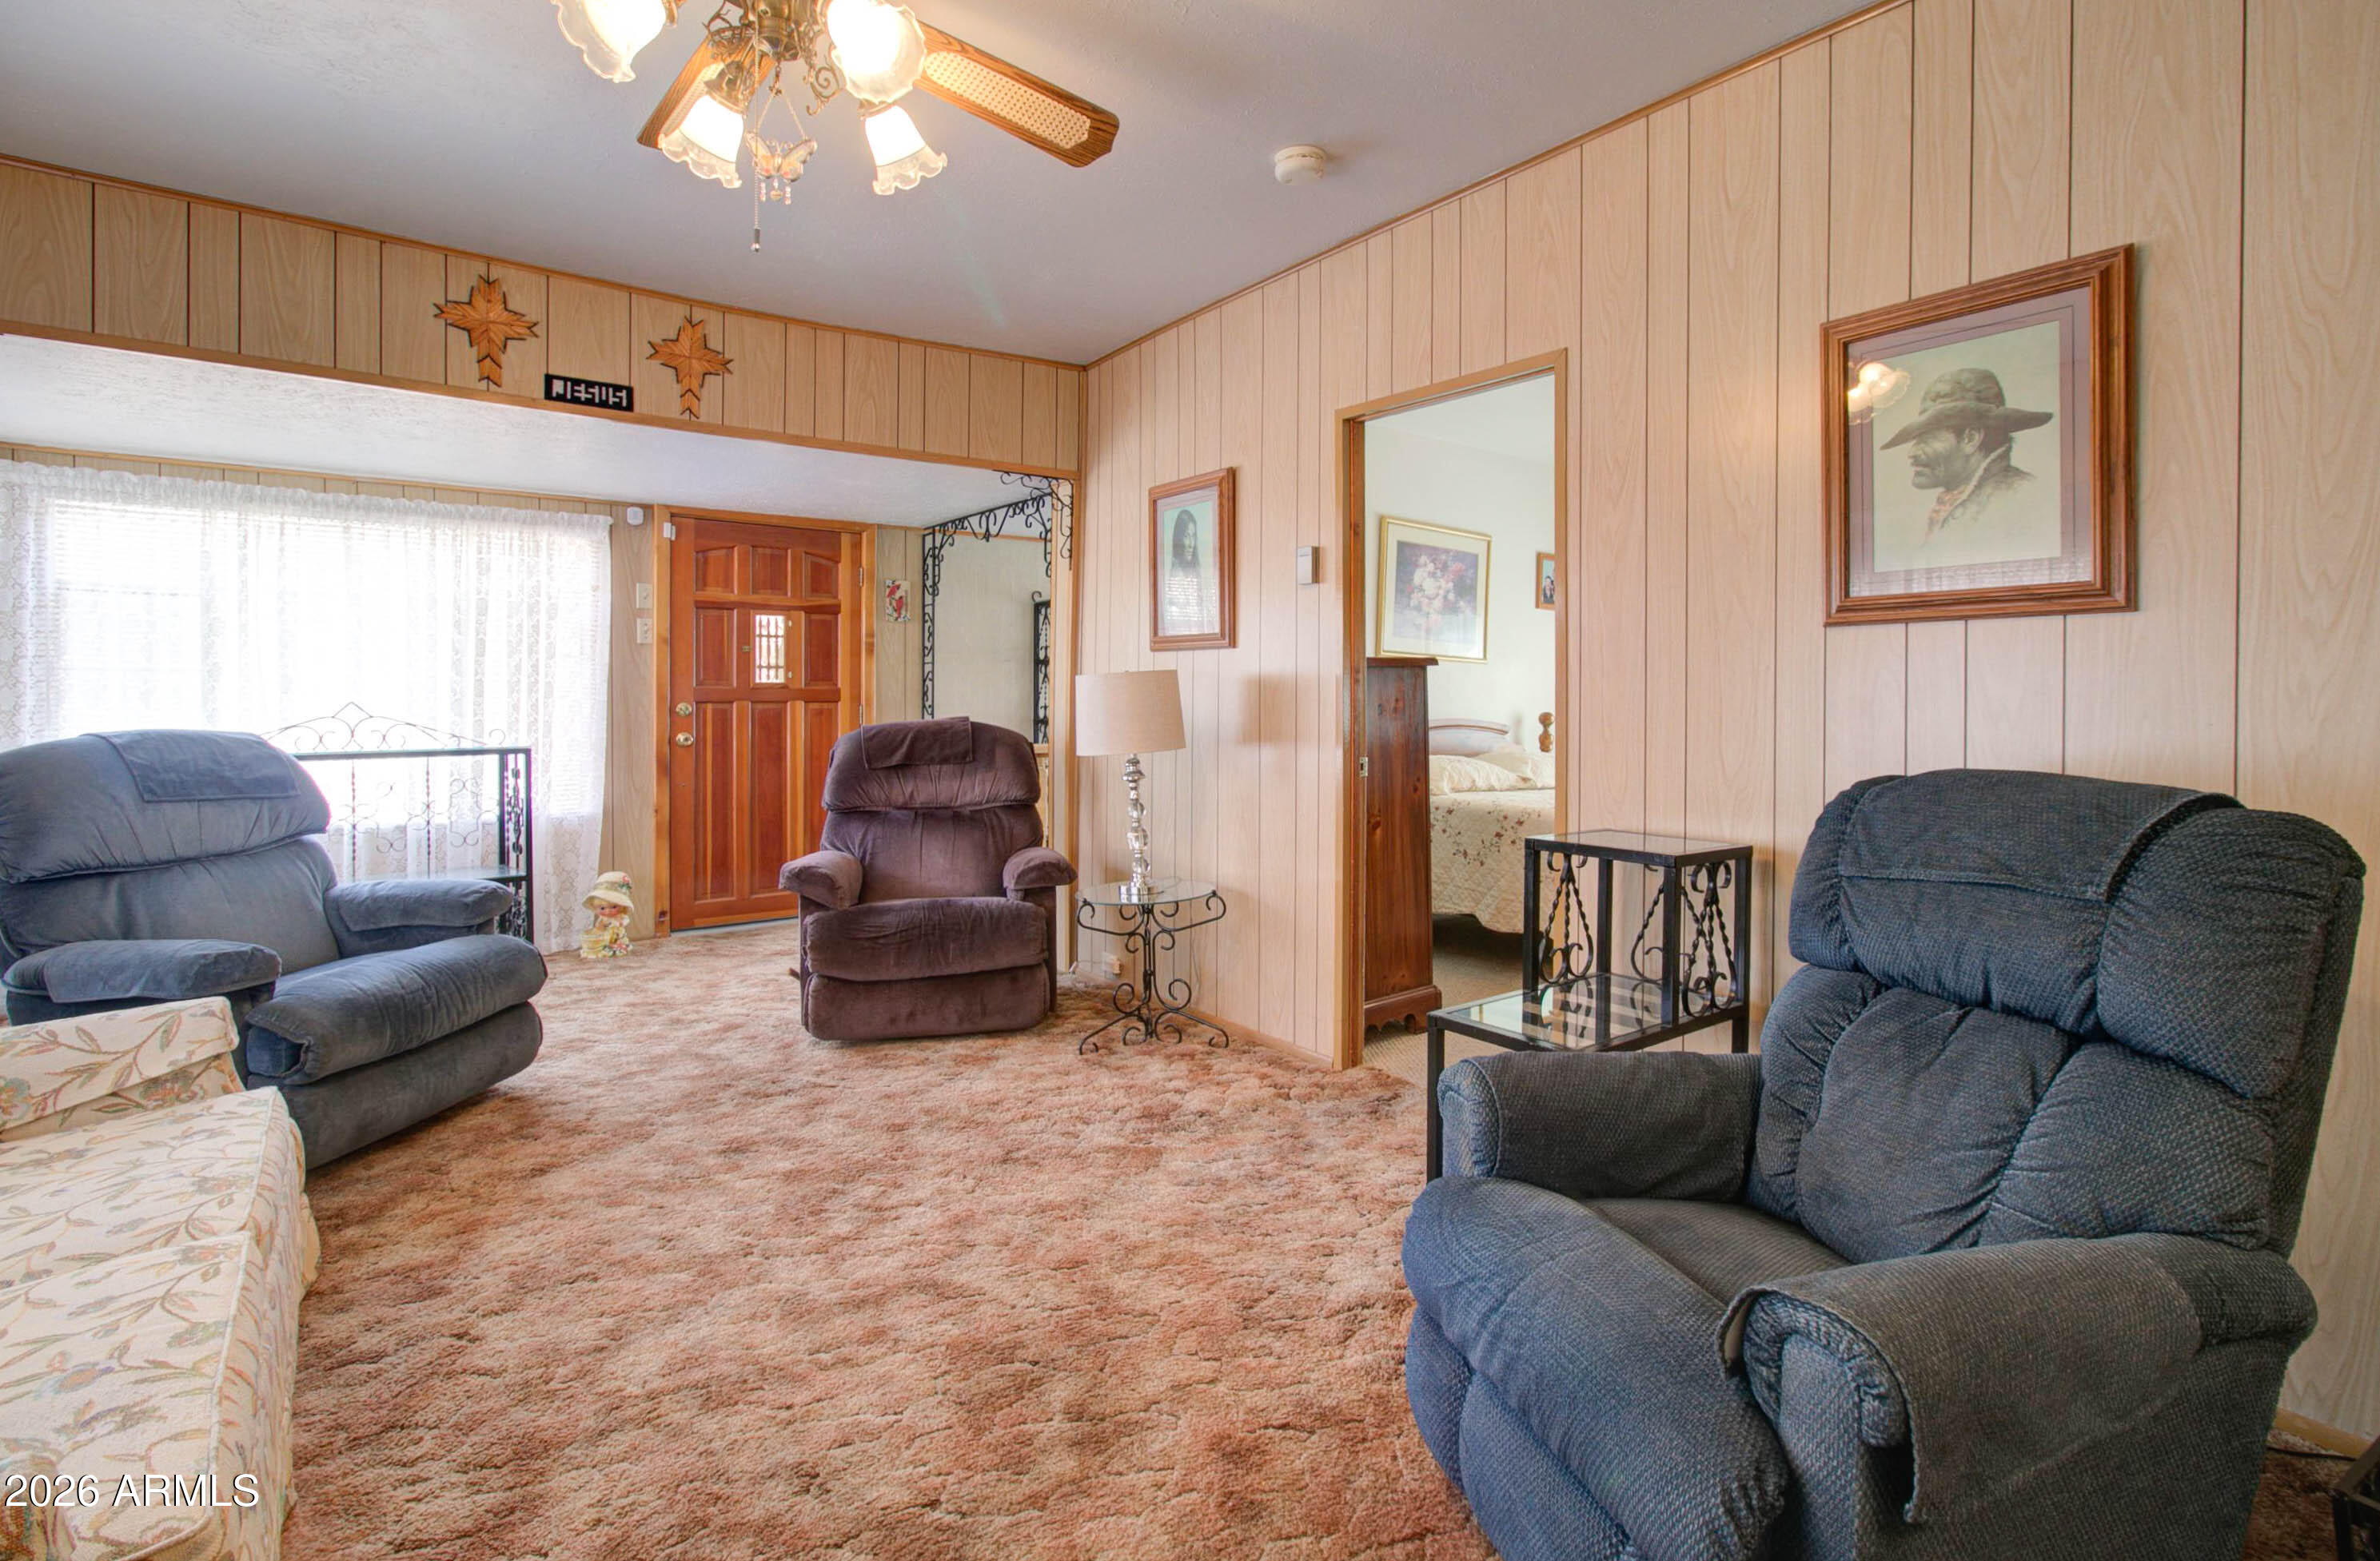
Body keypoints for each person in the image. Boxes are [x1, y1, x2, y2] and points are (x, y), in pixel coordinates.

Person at [1881, 365, 2054, 535]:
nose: (1912, 453)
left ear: (1970, 439)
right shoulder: (1957, 503)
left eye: (1928, 439)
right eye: (1917, 440)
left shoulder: (2023, 500)